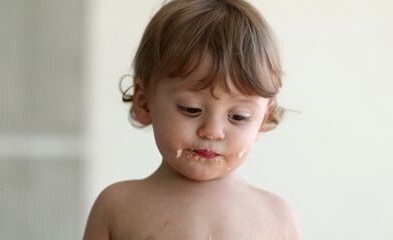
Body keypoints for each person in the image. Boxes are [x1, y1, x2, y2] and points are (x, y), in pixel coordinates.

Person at [83, 0, 301, 239]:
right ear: (144, 103)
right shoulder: (118, 207)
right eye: (191, 109)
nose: (212, 131)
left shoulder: (275, 217)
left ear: (262, 120)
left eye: (238, 116)